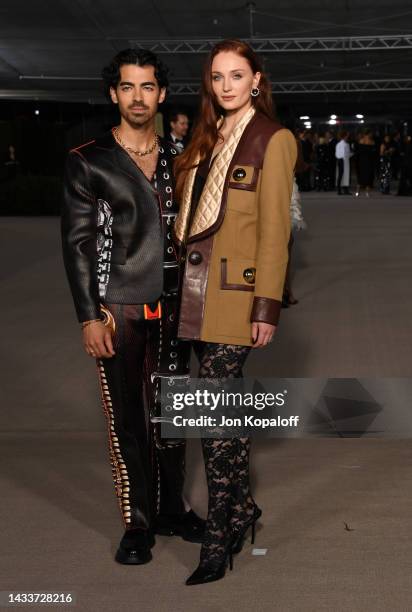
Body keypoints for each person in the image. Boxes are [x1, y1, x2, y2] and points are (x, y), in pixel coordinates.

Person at [61, 48, 204, 567]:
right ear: (113, 94)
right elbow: (77, 244)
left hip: (177, 304)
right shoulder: (89, 159)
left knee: (172, 413)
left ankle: (172, 509)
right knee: (129, 419)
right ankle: (138, 522)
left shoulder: (181, 156)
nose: (138, 97)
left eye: (148, 87)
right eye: (127, 87)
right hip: (117, 306)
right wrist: (87, 314)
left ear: (161, 95)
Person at [173, 38, 297, 585]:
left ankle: (220, 535)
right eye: (217, 77)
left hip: (235, 297)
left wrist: (266, 306)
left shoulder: (273, 139)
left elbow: (275, 234)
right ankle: (244, 508)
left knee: (214, 414)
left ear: (256, 81)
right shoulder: (203, 136)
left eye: (236, 75)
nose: (226, 85)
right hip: (192, 293)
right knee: (221, 411)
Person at [355, 130, 376, 197]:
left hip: (366, 161)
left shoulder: (370, 141)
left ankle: (364, 192)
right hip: (364, 161)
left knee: (367, 176)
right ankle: (359, 191)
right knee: (363, 176)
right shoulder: (365, 141)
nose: (371, 135)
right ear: (367, 134)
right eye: (370, 134)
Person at [335, 131, 353, 195]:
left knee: (343, 175)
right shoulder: (343, 144)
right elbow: (344, 154)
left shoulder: (341, 144)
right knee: (343, 175)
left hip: (342, 160)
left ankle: (342, 189)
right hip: (343, 161)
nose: (348, 137)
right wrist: (351, 154)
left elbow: (338, 154)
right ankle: (342, 190)